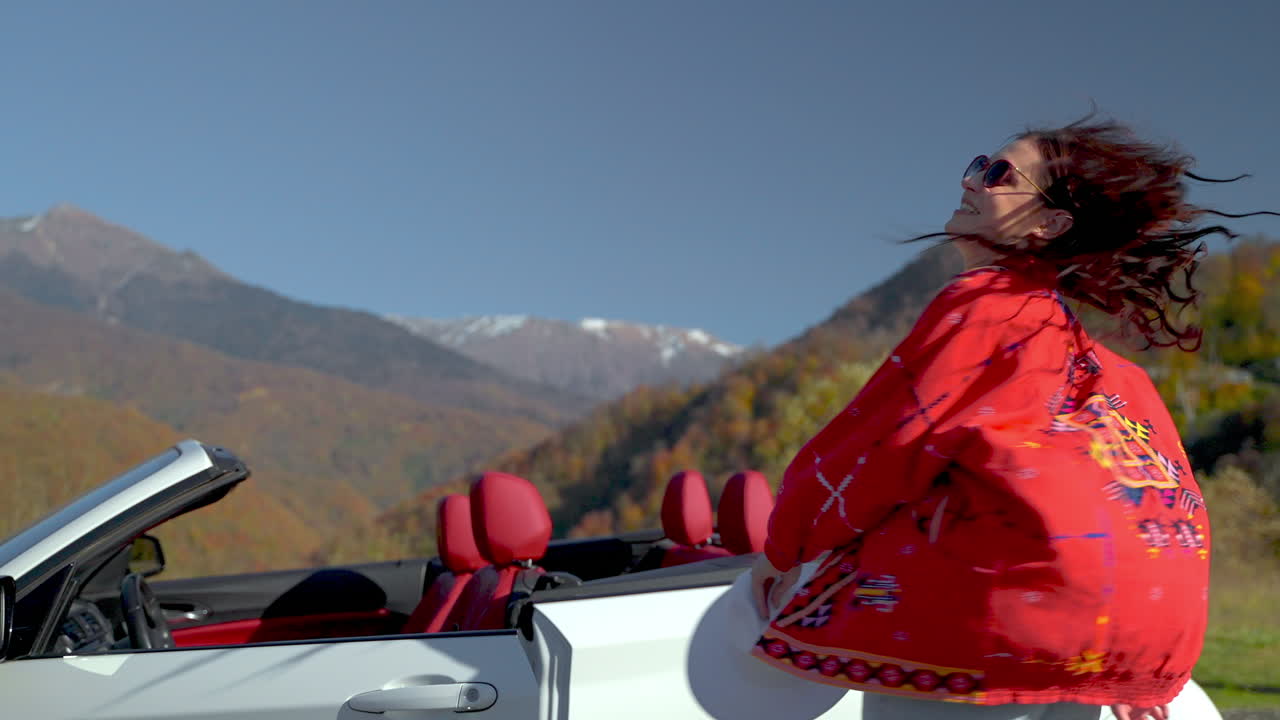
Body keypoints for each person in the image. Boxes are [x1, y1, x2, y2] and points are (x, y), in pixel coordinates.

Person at [749, 117, 1277, 720]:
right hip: (1131, 636)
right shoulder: (1115, 377)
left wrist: (783, 551)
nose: (972, 181)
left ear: (1047, 224)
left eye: (999, 174)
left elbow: (871, 451)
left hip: (1002, 620)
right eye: (978, 165)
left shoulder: (987, 309)